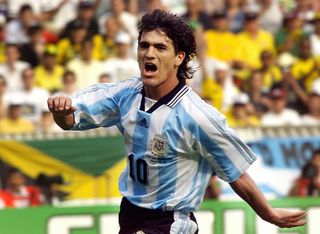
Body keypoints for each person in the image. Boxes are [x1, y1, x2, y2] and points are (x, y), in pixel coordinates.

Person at [48, 10, 305, 233]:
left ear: (179, 57)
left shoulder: (197, 116)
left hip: (172, 221)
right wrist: (61, 111)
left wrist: (267, 212)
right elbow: (71, 120)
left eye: (160, 48)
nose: (150, 54)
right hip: (130, 212)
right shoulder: (124, 95)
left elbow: (236, 172)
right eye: (144, 45)